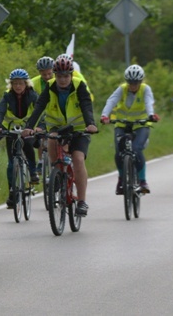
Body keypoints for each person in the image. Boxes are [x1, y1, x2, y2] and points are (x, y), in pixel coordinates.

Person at [22, 54, 98, 217]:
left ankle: (82, 201)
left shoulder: (79, 85)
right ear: (55, 76)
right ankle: (57, 174)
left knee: (78, 159)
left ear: (71, 75)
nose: (62, 80)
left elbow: (86, 105)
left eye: (65, 76)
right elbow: (39, 107)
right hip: (57, 126)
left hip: (78, 128)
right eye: (59, 76)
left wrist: (90, 124)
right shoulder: (49, 86)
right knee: (51, 140)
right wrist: (29, 127)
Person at [100, 64, 160, 194]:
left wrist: (151, 115)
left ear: (141, 81)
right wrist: (105, 115)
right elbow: (111, 101)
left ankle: (142, 181)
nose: (133, 85)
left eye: (136, 82)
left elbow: (149, 102)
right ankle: (121, 179)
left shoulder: (145, 89)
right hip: (122, 124)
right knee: (118, 151)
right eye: (130, 82)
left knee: (137, 149)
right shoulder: (122, 89)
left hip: (141, 124)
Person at [0, 68, 41, 209]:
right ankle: (12, 193)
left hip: (28, 129)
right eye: (15, 83)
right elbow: (0, 111)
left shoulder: (33, 95)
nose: (18, 86)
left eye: (20, 83)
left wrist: (39, 127)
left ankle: (32, 171)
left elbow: (40, 112)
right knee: (11, 164)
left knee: (28, 145)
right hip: (11, 131)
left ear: (26, 84)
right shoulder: (7, 96)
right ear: (11, 85)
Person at [30, 56, 55, 174]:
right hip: (41, 113)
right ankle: (40, 161)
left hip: (56, 112)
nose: (47, 77)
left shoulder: (59, 80)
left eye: (49, 73)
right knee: (40, 136)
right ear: (39, 72)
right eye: (44, 74)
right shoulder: (33, 83)